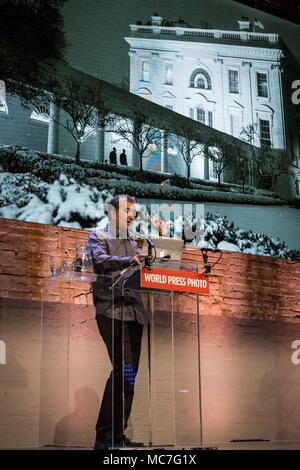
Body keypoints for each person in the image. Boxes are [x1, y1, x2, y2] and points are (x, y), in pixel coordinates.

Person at [87, 194, 147, 450]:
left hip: (135, 313)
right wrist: (129, 261)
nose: (133, 216)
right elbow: (100, 261)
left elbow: (147, 268)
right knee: (122, 372)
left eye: (134, 212)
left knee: (130, 376)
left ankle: (117, 436)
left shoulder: (136, 242)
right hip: (111, 310)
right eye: (128, 211)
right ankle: (105, 438)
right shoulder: (98, 236)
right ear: (112, 213)